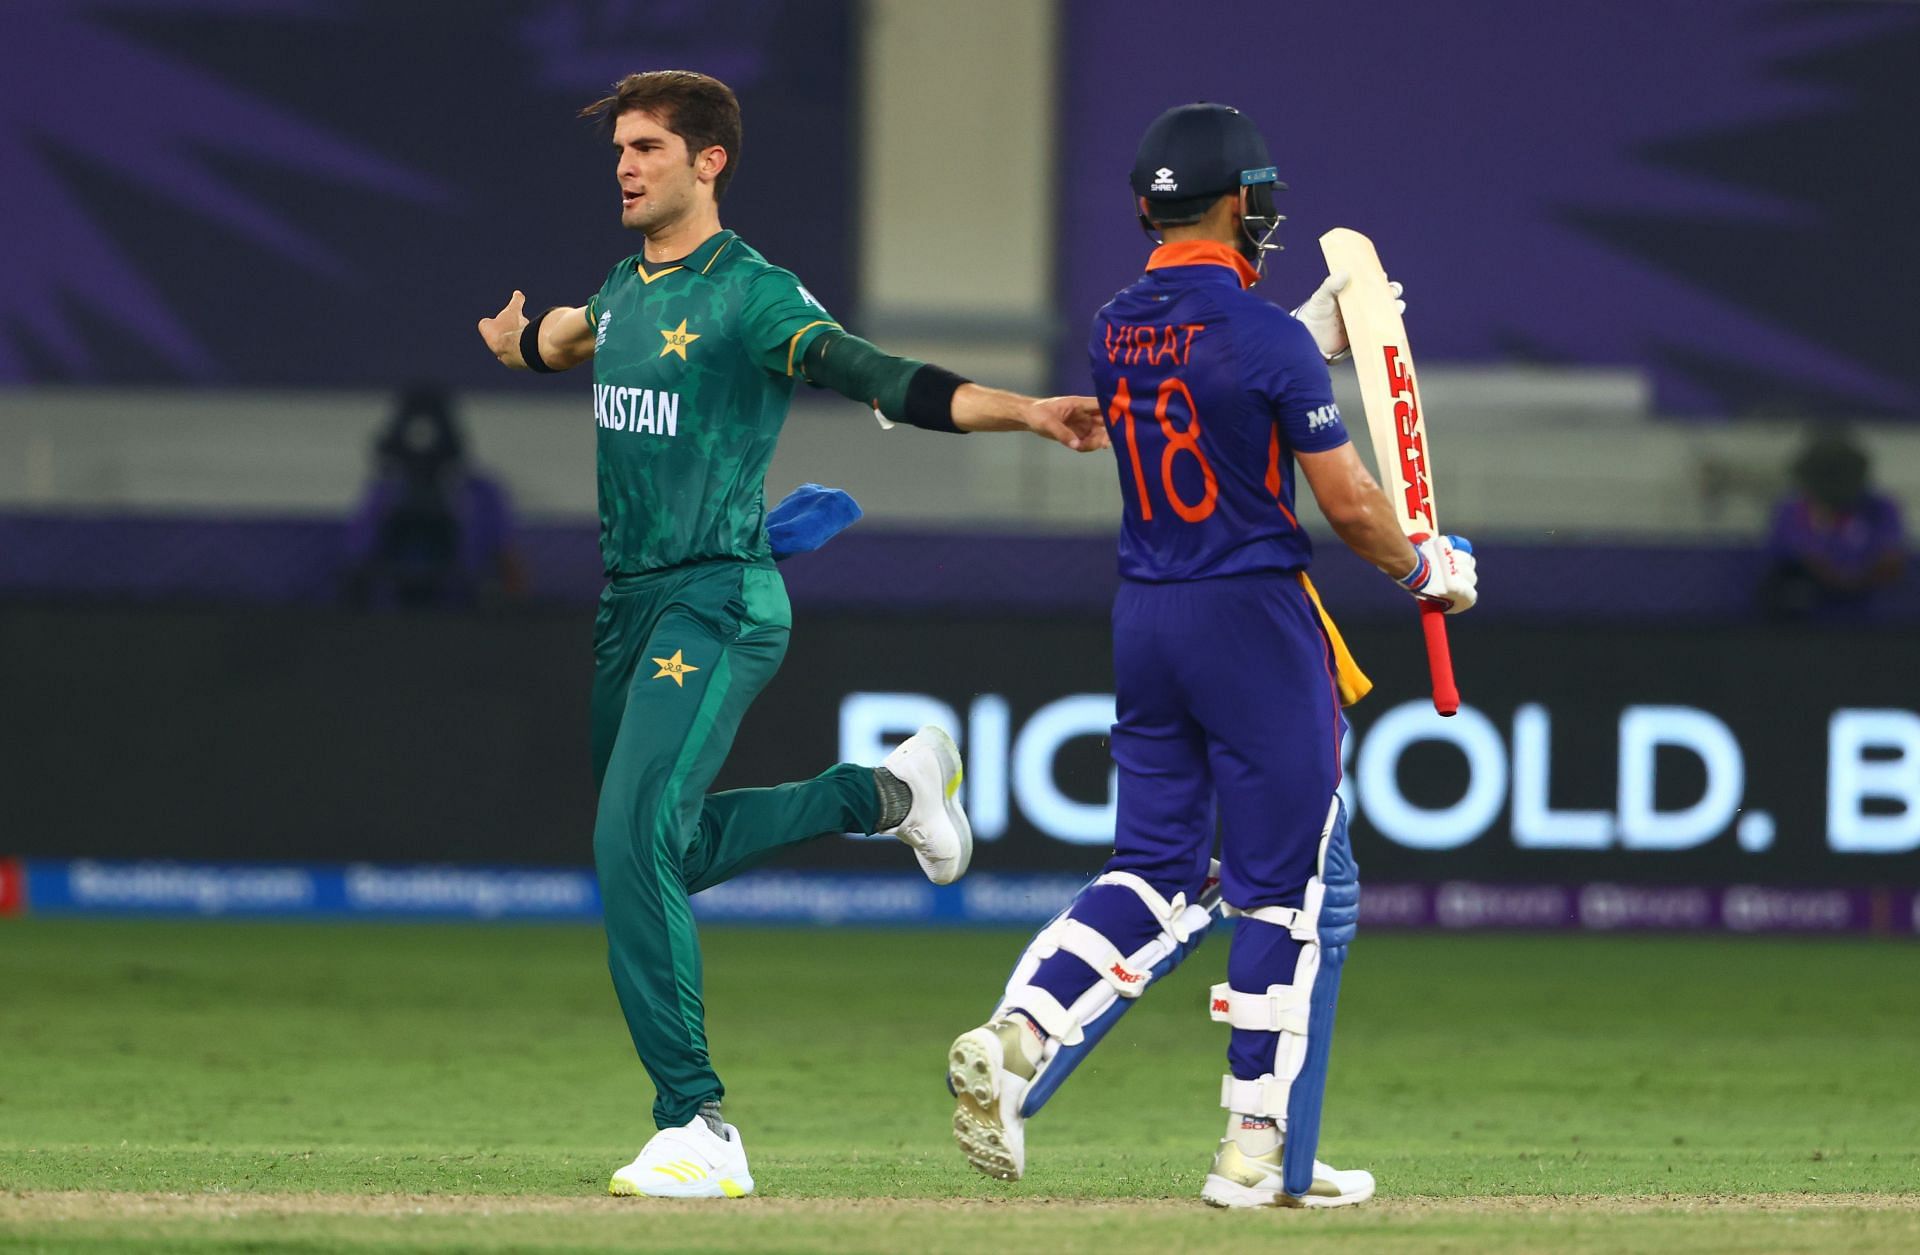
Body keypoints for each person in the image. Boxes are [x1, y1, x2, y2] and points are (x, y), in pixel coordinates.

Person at [474, 69, 1103, 1200]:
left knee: (629, 841)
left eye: (649, 148)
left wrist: (1027, 410)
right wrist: (519, 347)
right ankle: (889, 794)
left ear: (709, 161)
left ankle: (698, 1127)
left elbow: (875, 374)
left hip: (718, 600)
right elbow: (575, 339)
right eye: (619, 148)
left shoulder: (753, 296)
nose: (625, 165)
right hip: (630, 607)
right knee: (666, 847)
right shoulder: (623, 288)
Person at [944, 103, 1479, 1209]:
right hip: (1255, 623)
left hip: (1148, 617)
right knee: (1278, 893)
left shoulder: (1112, 326)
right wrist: (1432, 573)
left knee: (1151, 867)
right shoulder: (1267, 342)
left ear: (1148, 206)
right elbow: (1351, 506)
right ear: (1246, 205)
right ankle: (1252, 1147)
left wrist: (1311, 337)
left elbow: (1207, 368)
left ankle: (1022, 1027)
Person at [341, 385, 524, 609]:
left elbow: (509, 564)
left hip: (462, 614)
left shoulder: (480, 494)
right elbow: (357, 561)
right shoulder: (384, 493)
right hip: (391, 616)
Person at [1760, 427, 1905, 619]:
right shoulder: (1790, 510)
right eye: (1825, 472)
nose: (1833, 482)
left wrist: (1855, 583)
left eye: (1840, 471)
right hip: (1806, 622)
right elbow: (1792, 562)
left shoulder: (1881, 508)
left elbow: (1891, 562)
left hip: (1872, 619)